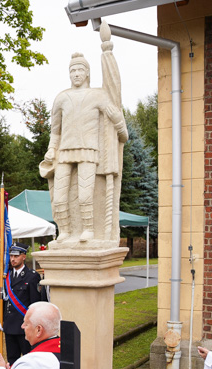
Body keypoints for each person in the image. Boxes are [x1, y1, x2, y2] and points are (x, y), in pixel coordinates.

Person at [40, 50, 128, 248]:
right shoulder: (61, 98)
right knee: (60, 196)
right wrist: (52, 148)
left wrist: (121, 129)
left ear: (87, 73)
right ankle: (65, 231)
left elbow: (114, 116)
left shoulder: (98, 95)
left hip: (89, 150)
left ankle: (88, 229)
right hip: (64, 151)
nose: (76, 74)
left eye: (80, 69)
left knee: (86, 194)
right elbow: (55, 130)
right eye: (73, 70)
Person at [0, 243, 42, 365]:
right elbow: (2, 299)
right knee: (12, 360)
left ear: (24, 257)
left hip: (25, 327)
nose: (12, 259)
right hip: (9, 325)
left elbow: (35, 304)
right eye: (11, 256)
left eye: (16, 256)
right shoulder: (6, 276)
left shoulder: (31, 276)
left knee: (28, 360)